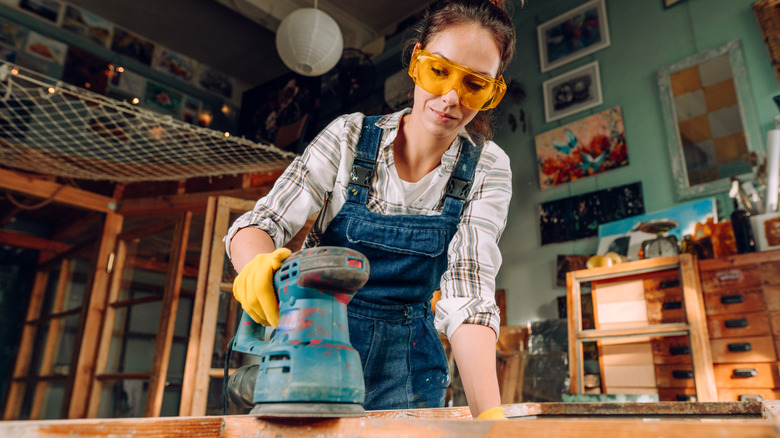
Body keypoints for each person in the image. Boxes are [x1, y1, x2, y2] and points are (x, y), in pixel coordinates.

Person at [227, 0, 516, 419]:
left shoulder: (487, 167)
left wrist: (490, 419)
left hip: (412, 371)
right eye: (440, 71)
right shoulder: (348, 136)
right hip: (315, 350)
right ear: (417, 62)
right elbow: (262, 222)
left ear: (492, 92)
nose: (451, 97)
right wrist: (255, 265)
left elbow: (469, 295)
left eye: (474, 84)